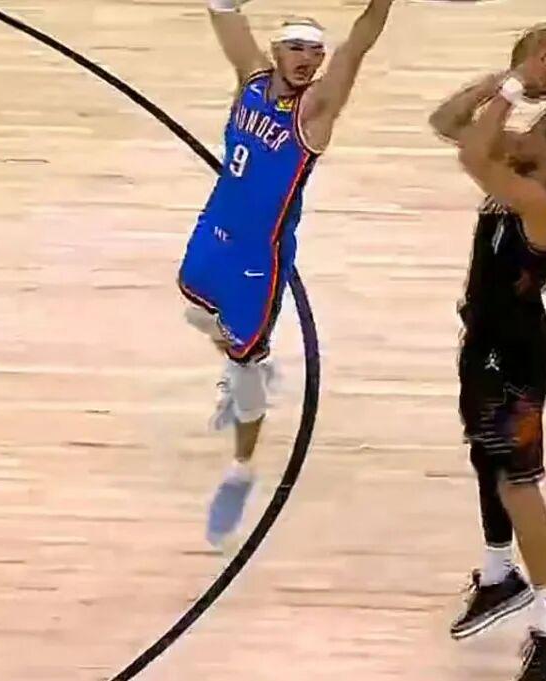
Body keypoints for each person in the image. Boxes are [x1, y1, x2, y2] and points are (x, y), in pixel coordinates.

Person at [178, 0, 396, 549]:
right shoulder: (251, 80)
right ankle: (246, 360)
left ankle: (241, 469)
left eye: (314, 52)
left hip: (260, 257)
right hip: (214, 229)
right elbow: (224, 13)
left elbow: (358, 45)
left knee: (244, 364)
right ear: (276, 51)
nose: (306, 59)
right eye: (296, 48)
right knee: (195, 309)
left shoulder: (314, 111)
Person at [429, 28, 546, 681]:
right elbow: (447, 122)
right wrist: (502, 78)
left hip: (517, 354)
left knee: (518, 481)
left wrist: (515, 85)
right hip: (485, 341)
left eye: (535, 126)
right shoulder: (524, 171)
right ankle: (501, 576)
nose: (521, 128)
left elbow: (472, 153)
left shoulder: (544, 201)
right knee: (486, 459)